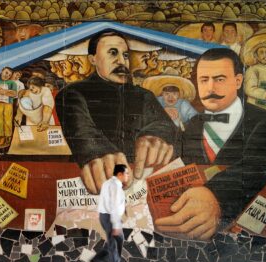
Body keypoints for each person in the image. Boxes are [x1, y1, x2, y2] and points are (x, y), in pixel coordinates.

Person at [162, 48, 266, 241]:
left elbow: (256, 166)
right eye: (204, 80)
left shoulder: (264, 121)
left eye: (219, 79)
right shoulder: (192, 125)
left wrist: (215, 196)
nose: (210, 88)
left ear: (238, 81)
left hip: (245, 235)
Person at [55, 30, 177, 195]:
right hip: (94, 183)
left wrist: (156, 135)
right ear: (93, 59)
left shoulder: (143, 95)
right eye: (113, 53)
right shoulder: (72, 93)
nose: (122, 61)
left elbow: (164, 124)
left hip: (139, 185)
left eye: (125, 55)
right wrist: (98, 152)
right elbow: (81, 129)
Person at [90, 164, 129, 262]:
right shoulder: (115, 186)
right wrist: (116, 224)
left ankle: (97, 261)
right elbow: (114, 206)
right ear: (120, 174)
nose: (128, 176)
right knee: (113, 244)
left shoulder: (108, 183)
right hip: (110, 217)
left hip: (106, 216)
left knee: (118, 239)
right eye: (126, 173)